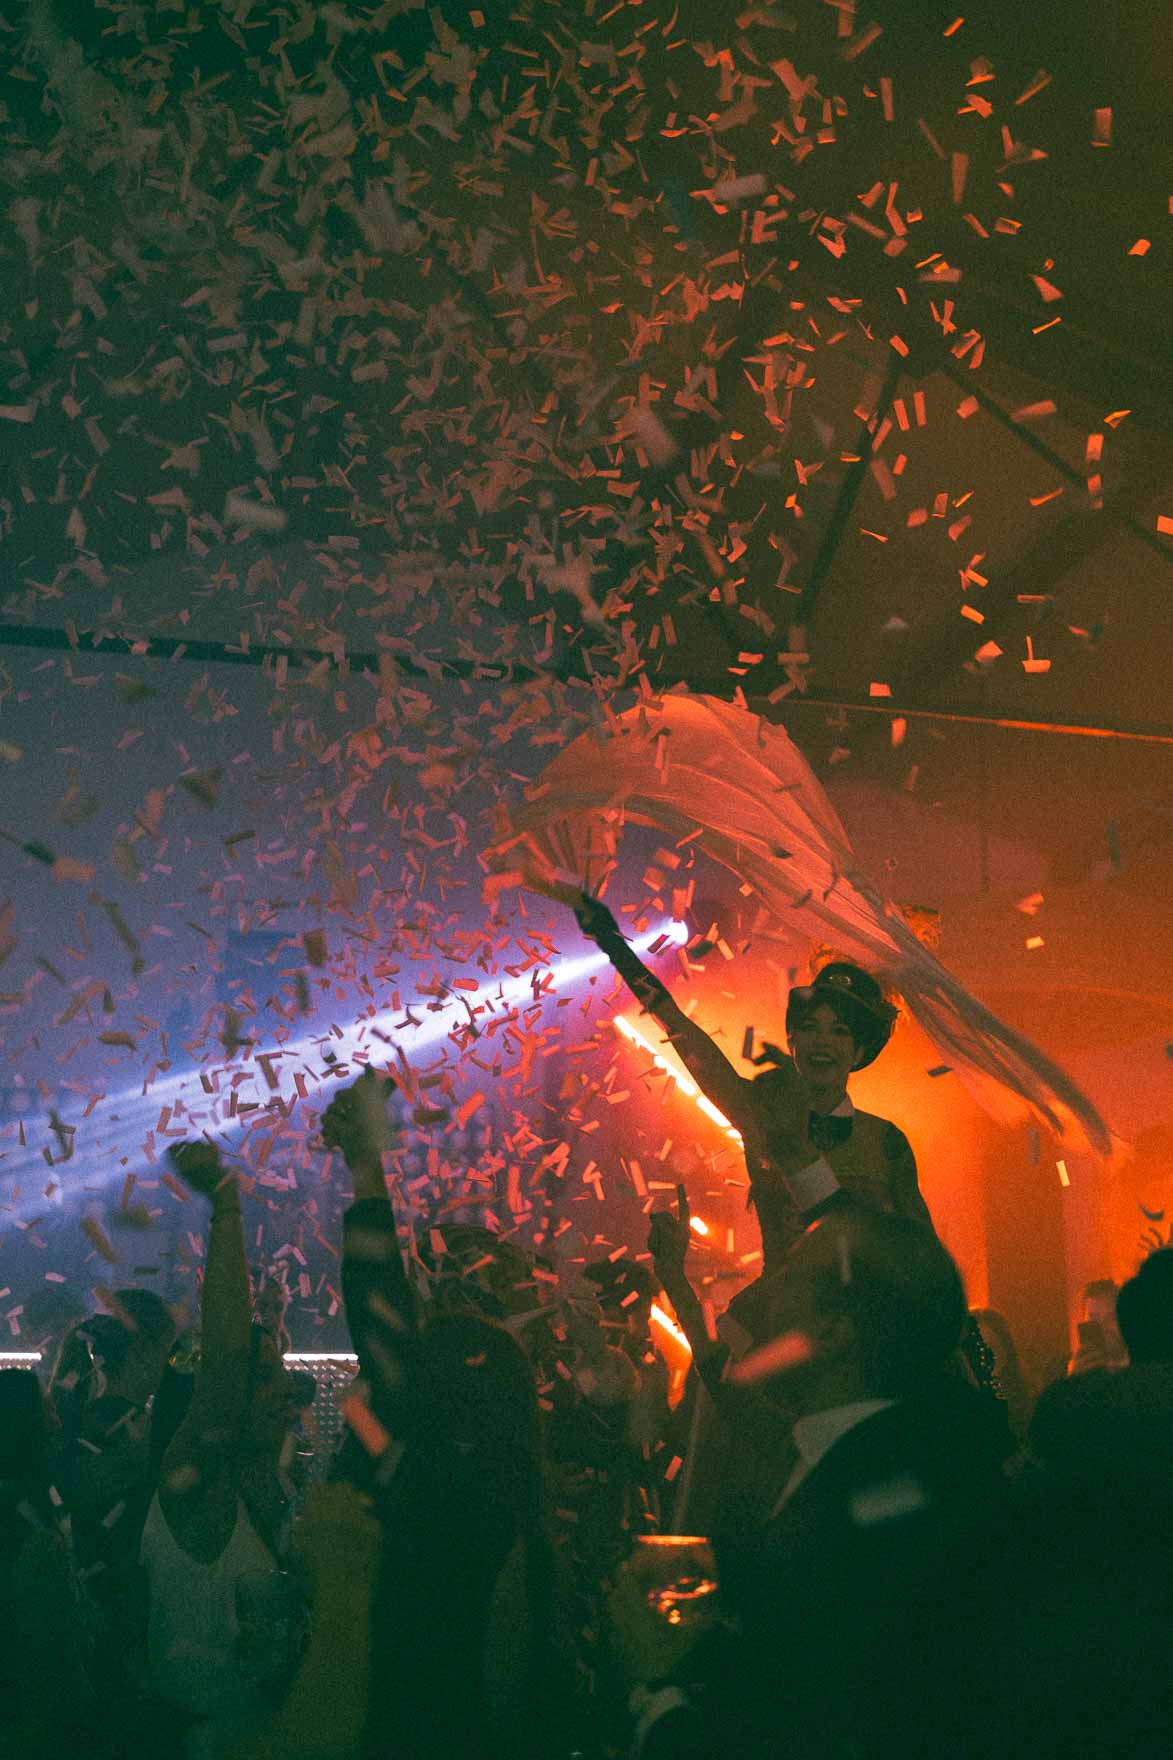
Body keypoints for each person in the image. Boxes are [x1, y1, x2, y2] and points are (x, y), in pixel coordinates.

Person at [609, 1210, 1007, 1759]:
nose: (762, 1290)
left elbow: (797, 1723)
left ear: (833, 1330)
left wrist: (660, 1692)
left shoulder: (888, 1508)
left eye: (789, 1272)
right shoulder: (852, 1455)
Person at [321, 1070, 566, 1760]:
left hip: (395, 1724)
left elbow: (378, 1310)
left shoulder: (425, 1463)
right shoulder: (512, 1485)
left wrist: (365, 1167)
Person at [572, 895, 933, 1273]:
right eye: (809, 1028)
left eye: (839, 1031)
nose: (821, 1041)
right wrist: (613, 944)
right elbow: (676, 1024)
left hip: (862, 1323)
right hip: (780, 1311)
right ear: (792, 1043)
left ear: (859, 1052)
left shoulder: (886, 1141)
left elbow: (924, 1254)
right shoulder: (760, 1113)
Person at [140, 1142, 300, 1758]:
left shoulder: (270, 1482)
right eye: (268, 1376)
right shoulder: (198, 1489)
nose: (288, 1385)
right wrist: (227, 1204)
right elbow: (228, 1367)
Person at [0, 1368, 95, 1755]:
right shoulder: (21, 1524)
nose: (57, 1420)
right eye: (47, 1408)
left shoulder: (32, 1500)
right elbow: (44, 1655)